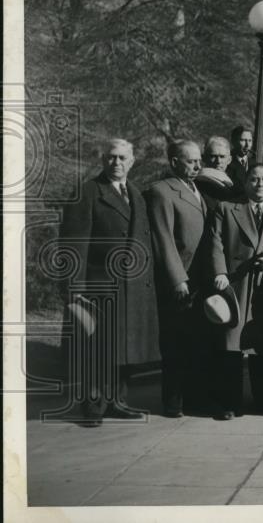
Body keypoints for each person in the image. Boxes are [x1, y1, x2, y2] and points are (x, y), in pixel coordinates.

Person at [59, 138, 159, 426]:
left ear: (132, 161)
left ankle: (117, 401)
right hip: (99, 286)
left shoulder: (136, 194)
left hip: (133, 288)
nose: (117, 163)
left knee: (123, 349)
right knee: (97, 349)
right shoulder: (88, 192)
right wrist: (74, 289)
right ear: (103, 160)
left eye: (122, 158)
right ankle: (93, 406)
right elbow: (74, 244)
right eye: (111, 158)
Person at [146, 140, 212, 418]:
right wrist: (177, 279)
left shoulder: (198, 189)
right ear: (174, 162)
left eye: (199, 160)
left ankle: (194, 398)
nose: (198, 165)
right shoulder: (162, 191)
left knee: (196, 342)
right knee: (175, 344)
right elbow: (163, 238)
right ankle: (173, 401)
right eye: (191, 161)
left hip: (200, 280)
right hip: (180, 282)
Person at [207, 165, 263, 420]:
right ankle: (229, 403)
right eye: (254, 179)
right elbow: (215, 242)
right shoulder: (226, 208)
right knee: (231, 348)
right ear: (246, 183)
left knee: (261, 347)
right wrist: (219, 273)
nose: (260, 184)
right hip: (235, 285)